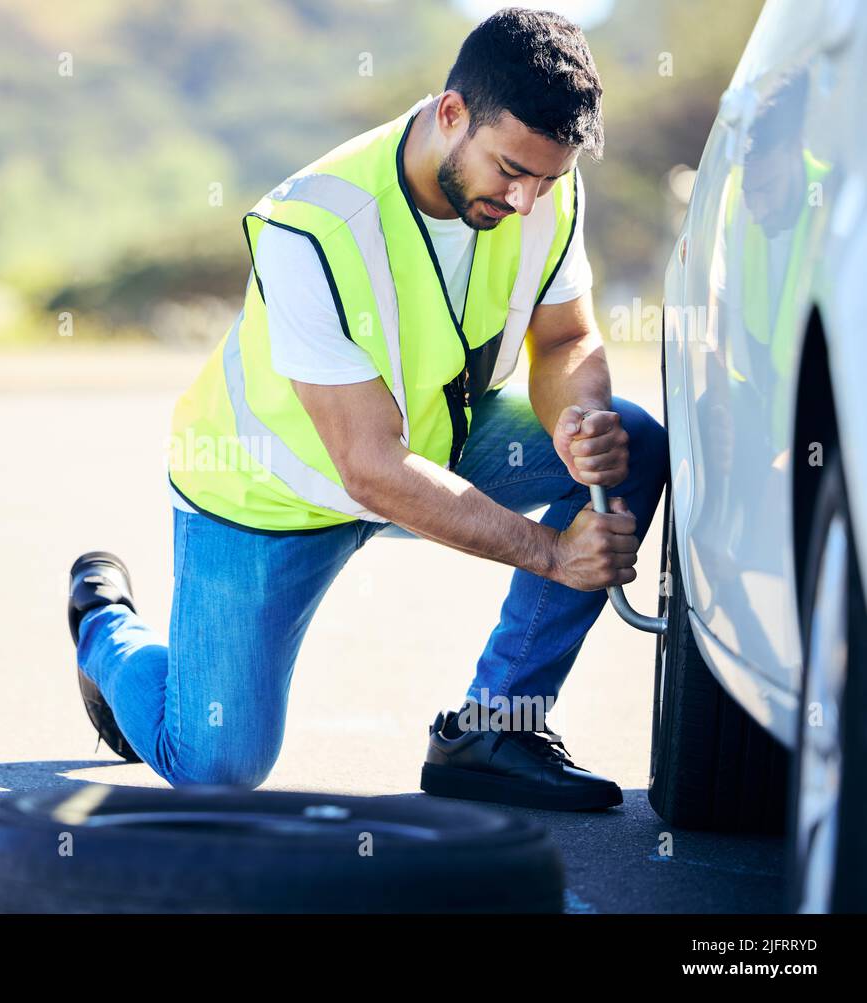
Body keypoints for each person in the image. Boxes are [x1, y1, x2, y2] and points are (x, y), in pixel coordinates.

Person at [67, 7, 668, 811]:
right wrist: (555, 554)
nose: (527, 200)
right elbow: (370, 469)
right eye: (510, 171)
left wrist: (576, 421)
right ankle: (105, 627)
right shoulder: (308, 225)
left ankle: (494, 729)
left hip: (433, 444)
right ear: (451, 112)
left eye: (547, 179)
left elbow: (562, 338)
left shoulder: (543, 184)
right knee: (214, 765)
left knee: (629, 437)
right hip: (269, 495)